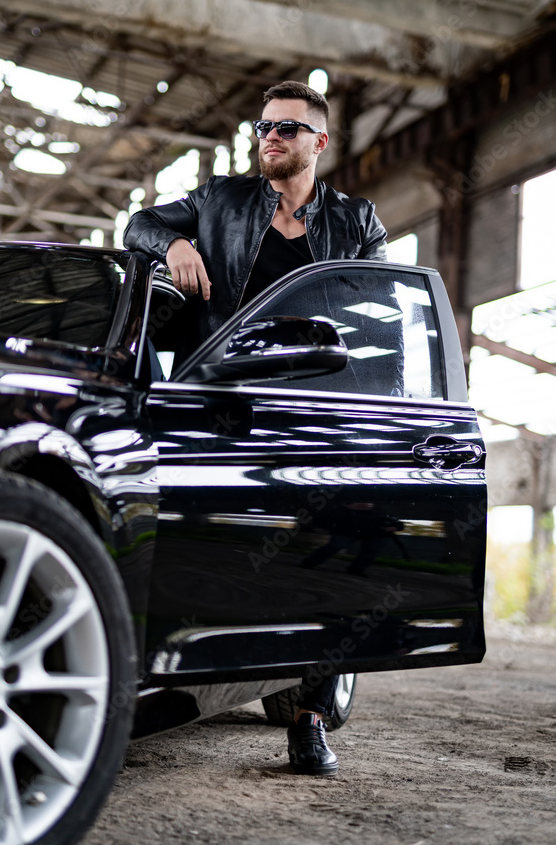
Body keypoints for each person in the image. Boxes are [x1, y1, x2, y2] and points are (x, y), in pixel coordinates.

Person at [124, 79, 388, 776]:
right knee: (212, 549)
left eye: (286, 128)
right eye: (263, 125)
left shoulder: (356, 222)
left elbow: (374, 316)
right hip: (218, 406)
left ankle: (306, 715)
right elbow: (137, 226)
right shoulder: (218, 200)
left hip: (310, 412)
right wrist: (176, 243)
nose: (269, 135)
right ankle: (173, 670)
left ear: (318, 142)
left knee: (314, 560)